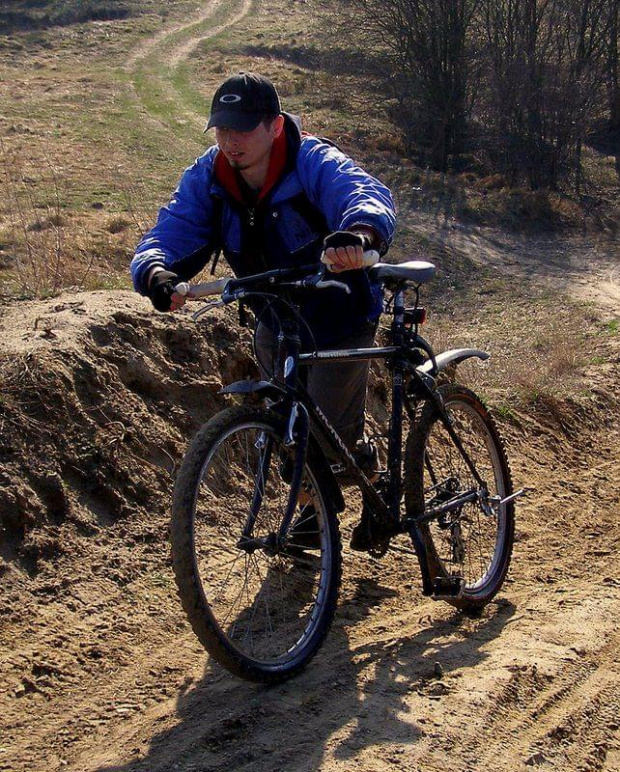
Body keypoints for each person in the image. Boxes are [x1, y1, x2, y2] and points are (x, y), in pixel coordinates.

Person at [131, 72, 396, 550]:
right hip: (274, 314)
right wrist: (154, 271)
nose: (230, 141)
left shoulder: (312, 160)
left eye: (243, 129)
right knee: (287, 431)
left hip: (338, 312)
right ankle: (325, 503)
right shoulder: (209, 177)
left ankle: (355, 490)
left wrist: (358, 235)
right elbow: (170, 230)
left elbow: (364, 194)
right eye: (221, 129)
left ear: (275, 126)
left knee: (326, 436)